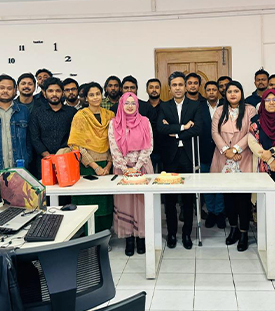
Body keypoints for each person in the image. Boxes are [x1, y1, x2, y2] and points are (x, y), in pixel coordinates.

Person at [156, 71, 202, 250]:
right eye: (174, 85)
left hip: (188, 156)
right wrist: (183, 127)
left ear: (185, 87)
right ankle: (172, 233)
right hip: (170, 157)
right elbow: (160, 128)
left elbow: (198, 129)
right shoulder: (164, 106)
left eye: (180, 85)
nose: (177, 88)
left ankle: (187, 234)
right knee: (170, 199)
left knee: (188, 198)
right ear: (170, 88)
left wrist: (174, 132)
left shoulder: (195, 105)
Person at [211, 81, 256, 251]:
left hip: (243, 156)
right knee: (228, 198)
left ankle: (244, 232)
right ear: (226, 94)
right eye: (229, 91)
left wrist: (236, 149)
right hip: (224, 157)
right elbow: (214, 132)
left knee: (243, 198)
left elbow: (251, 132)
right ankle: (234, 229)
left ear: (241, 93)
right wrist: (226, 151)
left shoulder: (250, 110)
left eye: (236, 91)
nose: (232, 94)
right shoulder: (219, 111)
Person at [108, 92, 154, 256]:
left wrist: (137, 166)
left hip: (142, 168)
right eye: (126, 103)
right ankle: (128, 238)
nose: (129, 106)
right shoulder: (114, 123)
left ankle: (141, 238)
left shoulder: (145, 121)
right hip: (122, 170)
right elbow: (113, 147)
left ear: (137, 105)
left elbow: (148, 145)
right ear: (121, 105)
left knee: (141, 203)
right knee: (125, 203)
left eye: (133, 103)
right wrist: (125, 168)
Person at [248, 89, 275, 257]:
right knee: (262, 203)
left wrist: (272, 153)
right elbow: (252, 142)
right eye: (268, 100)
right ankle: (265, 239)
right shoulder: (256, 122)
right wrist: (269, 159)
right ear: (263, 103)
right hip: (262, 168)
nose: (271, 103)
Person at [68, 82, 115, 232]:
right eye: (91, 95)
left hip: (106, 167)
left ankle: (104, 236)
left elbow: (113, 142)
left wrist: (108, 165)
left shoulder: (110, 116)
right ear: (86, 98)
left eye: (98, 94)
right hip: (87, 166)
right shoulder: (80, 116)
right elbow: (76, 145)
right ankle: (88, 237)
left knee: (105, 203)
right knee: (87, 204)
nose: (95, 97)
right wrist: (95, 167)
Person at [29, 77, 76, 172]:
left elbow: (75, 136)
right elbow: (34, 138)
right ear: (45, 94)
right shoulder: (36, 113)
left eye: (58, 91)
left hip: (67, 159)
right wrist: (47, 155)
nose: (54, 94)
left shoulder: (72, 112)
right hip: (43, 161)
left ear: (62, 93)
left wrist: (62, 155)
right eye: (50, 91)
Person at [199, 81, 224, 229]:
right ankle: (211, 212)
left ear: (218, 91)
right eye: (208, 90)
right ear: (205, 92)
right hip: (204, 151)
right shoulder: (199, 107)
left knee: (221, 183)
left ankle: (219, 212)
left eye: (214, 89)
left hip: (222, 151)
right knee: (206, 183)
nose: (211, 92)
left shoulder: (225, 106)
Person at [146, 78, 163, 172]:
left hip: (164, 148)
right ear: (147, 90)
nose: (154, 90)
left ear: (160, 89)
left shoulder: (167, 107)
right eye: (151, 87)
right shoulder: (142, 107)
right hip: (147, 150)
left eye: (157, 87)